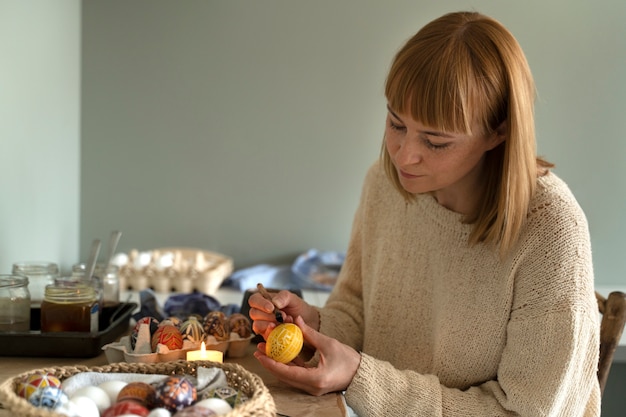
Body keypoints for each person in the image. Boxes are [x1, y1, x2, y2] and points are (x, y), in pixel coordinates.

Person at [248, 11, 600, 416]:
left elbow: (519, 413)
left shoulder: (550, 230)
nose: (405, 155)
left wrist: (359, 376)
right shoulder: (384, 185)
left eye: (436, 142)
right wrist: (314, 328)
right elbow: (356, 311)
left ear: (498, 131)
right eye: (397, 124)